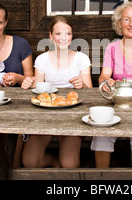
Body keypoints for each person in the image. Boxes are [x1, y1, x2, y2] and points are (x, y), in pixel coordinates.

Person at [91, 1, 132, 168]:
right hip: (116, 103)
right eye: (127, 19)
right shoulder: (112, 48)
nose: (131, 24)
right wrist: (107, 82)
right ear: (119, 23)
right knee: (101, 138)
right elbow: (104, 76)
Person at [21, 16, 92, 168]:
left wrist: (83, 85)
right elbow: (38, 89)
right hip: (45, 116)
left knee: (69, 163)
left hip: (73, 116)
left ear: (72, 36)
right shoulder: (42, 59)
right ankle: (54, 163)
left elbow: (90, 91)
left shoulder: (81, 58)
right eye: (58, 34)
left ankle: (63, 167)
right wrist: (28, 82)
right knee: (29, 161)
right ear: (50, 36)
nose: (63, 38)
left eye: (68, 33)